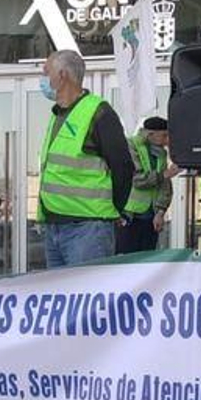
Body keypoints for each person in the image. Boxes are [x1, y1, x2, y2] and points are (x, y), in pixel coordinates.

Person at [37, 49, 132, 267]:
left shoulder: (98, 112)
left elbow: (123, 167)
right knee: (60, 299)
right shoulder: (58, 115)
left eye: (46, 72)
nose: (42, 78)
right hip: (54, 227)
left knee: (89, 299)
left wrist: (113, 210)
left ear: (62, 76)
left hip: (87, 230)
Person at [118, 116, 177, 254]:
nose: (167, 141)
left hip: (151, 218)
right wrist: (164, 175)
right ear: (150, 134)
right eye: (164, 136)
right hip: (130, 215)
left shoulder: (160, 152)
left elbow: (165, 186)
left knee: (146, 259)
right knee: (127, 261)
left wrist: (161, 211)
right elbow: (136, 179)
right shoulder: (130, 146)